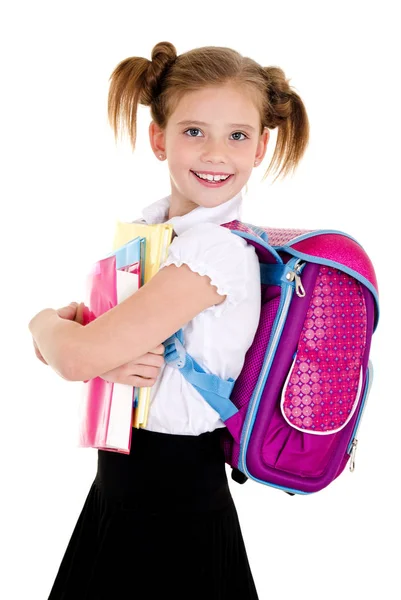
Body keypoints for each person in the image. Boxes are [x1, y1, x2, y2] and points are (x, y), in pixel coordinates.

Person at [29, 40, 309, 599]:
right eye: (193, 131)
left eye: (237, 135)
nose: (215, 153)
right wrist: (81, 347)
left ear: (260, 148)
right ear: (159, 138)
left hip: (171, 500)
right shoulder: (152, 232)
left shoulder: (214, 254)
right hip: (122, 488)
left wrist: (42, 323)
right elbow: (87, 352)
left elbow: (74, 355)